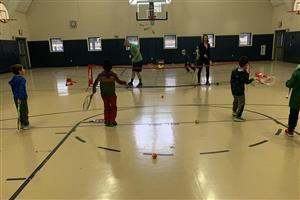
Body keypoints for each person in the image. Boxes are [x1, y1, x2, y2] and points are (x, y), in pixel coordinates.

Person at [92, 60, 126, 127]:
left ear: (103, 67)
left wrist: (94, 89)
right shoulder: (113, 75)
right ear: (111, 67)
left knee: (106, 107)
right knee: (113, 108)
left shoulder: (100, 75)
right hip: (112, 94)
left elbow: (95, 83)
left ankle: (107, 120)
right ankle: (112, 120)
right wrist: (124, 82)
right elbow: (119, 82)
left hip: (104, 95)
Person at [230, 56, 254, 122]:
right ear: (246, 65)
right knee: (242, 103)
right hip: (240, 91)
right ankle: (238, 116)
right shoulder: (244, 73)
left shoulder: (234, 71)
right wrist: (252, 79)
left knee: (236, 101)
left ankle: (234, 111)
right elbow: (246, 82)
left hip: (234, 90)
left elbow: (232, 80)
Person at [9, 64, 30, 129]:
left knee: (19, 111)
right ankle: (25, 124)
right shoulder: (22, 79)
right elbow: (21, 89)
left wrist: (17, 97)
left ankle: (22, 123)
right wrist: (20, 98)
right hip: (22, 98)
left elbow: (12, 85)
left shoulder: (13, 79)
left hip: (15, 97)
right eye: (23, 69)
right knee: (24, 111)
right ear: (19, 71)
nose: (24, 70)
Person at [285, 64, 300, 137]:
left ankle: (290, 130)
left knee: (293, 114)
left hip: (296, 99)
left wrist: (287, 82)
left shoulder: (297, 73)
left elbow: (290, 84)